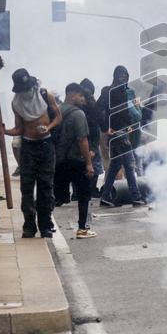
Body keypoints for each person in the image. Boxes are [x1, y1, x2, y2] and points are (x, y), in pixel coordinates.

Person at [3, 68, 60, 239]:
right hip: (28, 147)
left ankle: (46, 225)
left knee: (45, 188)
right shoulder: (16, 103)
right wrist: (4, 131)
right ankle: (29, 226)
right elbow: (19, 129)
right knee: (27, 189)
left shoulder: (44, 94)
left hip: (46, 145)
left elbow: (58, 117)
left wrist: (48, 128)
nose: (27, 91)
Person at [53, 83, 97, 239]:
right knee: (85, 195)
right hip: (77, 161)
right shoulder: (78, 114)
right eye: (81, 96)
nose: (83, 99)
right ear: (72, 95)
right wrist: (89, 163)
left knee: (56, 196)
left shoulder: (56, 110)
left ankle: (44, 224)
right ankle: (83, 229)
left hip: (59, 160)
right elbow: (82, 140)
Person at [100, 66, 143, 206]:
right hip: (119, 134)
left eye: (125, 77)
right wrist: (106, 128)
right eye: (121, 76)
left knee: (115, 166)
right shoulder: (110, 92)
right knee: (129, 165)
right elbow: (97, 110)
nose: (123, 79)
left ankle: (105, 197)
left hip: (120, 133)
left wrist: (106, 128)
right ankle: (136, 197)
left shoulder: (118, 92)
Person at [80, 78, 104, 198]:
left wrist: (93, 148)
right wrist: (94, 148)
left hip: (84, 141)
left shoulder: (91, 107)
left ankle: (84, 191)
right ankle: (90, 190)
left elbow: (95, 128)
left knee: (88, 166)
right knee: (94, 166)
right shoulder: (91, 106)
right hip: (87, 141)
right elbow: (96, 129)